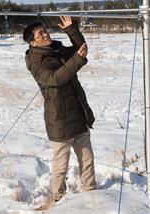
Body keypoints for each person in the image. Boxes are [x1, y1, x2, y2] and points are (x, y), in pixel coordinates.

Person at [24, 16, 96, 202]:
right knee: (60, 166)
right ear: (33, 42)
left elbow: (81, 50)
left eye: (45, 31)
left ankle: (92, 194)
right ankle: (57, 199)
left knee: (87, 160)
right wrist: (76, 60)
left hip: (78, 113)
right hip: (60, 119)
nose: (46, 34)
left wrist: (72, 30)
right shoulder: (35, 62)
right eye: (41, 33)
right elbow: (54, 79)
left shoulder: (57, 49)